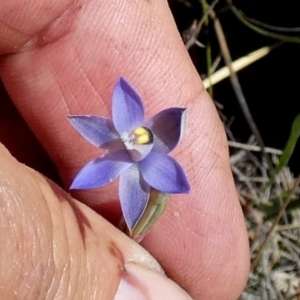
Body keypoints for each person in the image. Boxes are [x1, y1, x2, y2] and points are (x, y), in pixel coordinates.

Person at [0, 0, 250, 299]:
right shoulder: (110, 150)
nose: (134, 140)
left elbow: (174, 130)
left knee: (149, 217)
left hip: (139, 190)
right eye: (136, 137)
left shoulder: (164, 165)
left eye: (143, 138)